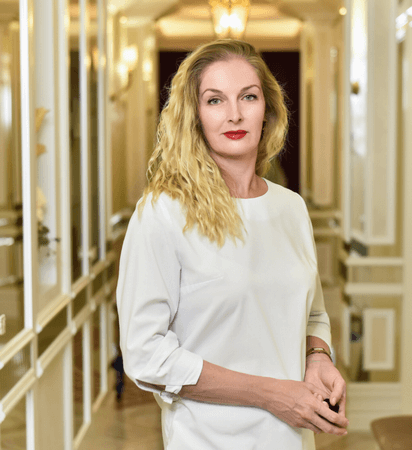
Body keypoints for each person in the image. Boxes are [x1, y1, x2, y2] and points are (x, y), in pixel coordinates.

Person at [116, 39, 348, 450]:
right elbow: (144, 355)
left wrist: (318, 357)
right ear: (194, 116)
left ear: (267, 110)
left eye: (248, 96)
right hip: (207, 440)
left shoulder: (291, 208)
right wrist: (272, 394)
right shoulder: (163, 213)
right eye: (215, 100)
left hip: (292, 440)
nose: (234, 114)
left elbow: (313, 314)